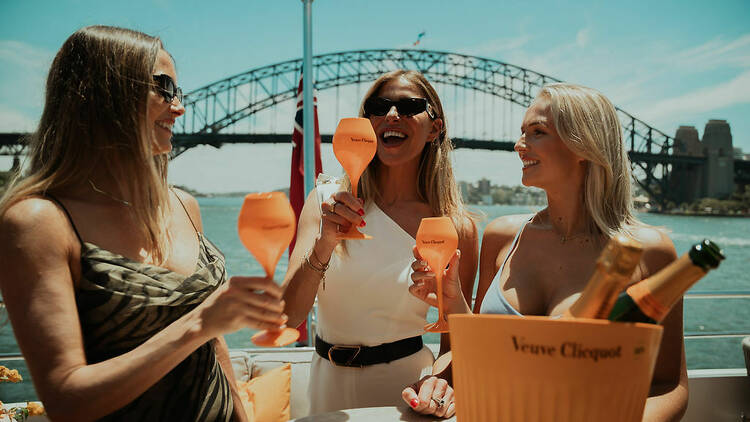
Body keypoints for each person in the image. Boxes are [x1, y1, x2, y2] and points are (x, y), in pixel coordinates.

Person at [0, 26, 288, 422]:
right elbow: (66, 401)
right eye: (163, 88)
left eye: (178, 92)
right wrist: (202, 322)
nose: (179, 107)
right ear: (104, 93)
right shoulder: (38, 222)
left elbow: (214, 349)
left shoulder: (183, 205)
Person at [409, 83, 687, 421]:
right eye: (521, 132)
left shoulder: (649, 252)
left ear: (584, 145)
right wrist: (451, 316)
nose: (518, 145)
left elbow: (669, 386)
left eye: (537, 132)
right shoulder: (502, 236)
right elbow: (478, 356)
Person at [282, 70, 478, 418]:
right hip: (327, 384)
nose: (391, 115)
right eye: (378, 106)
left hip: (405, 392)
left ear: (435, 127)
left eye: (409, 106)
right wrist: (324, 244)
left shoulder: (456, 226)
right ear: (366, 123)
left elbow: (457, 346)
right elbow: (287, 317)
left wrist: (438, 382)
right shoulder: (324, 203)